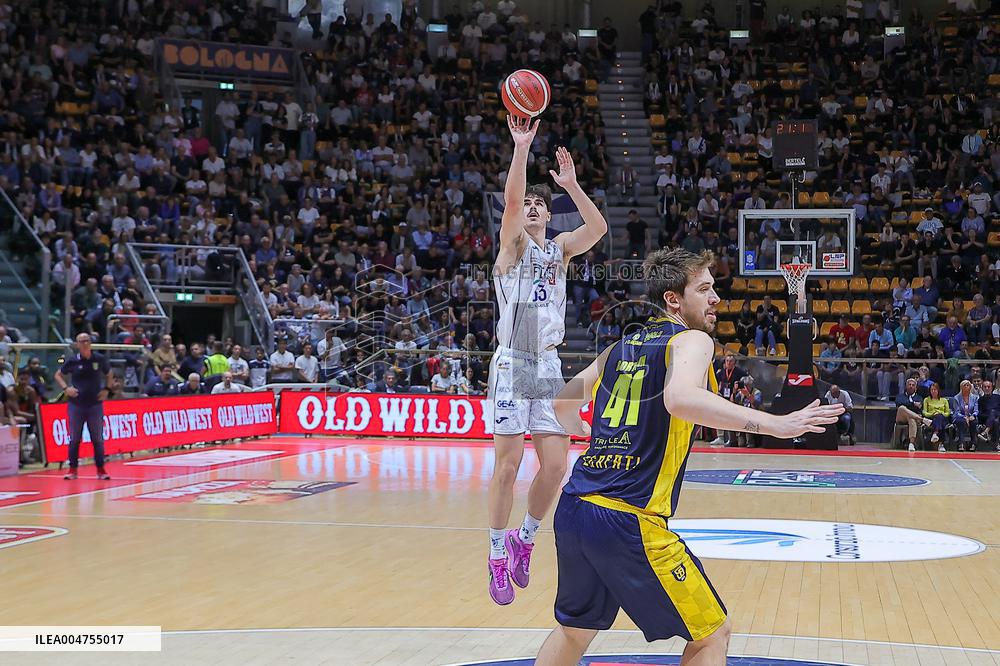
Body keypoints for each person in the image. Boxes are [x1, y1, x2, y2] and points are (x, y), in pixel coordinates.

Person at [534, 247, 842, 665]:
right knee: (712, 634)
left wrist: (581, 429)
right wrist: (776, 424)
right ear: (673, 300)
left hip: (574, 509)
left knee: (575, 631)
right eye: (705, 289)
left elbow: (562, 404)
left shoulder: (619, 347)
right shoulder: (691, 339)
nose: (716, 298)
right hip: (628, 518)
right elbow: (680, 398)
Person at [486, 116, 608, 606]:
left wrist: (573, 186)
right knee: (509, 465)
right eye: (529, 204)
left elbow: (597, 227)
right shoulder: (511, 249)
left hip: (548, 365)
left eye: (542, 204)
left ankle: (523, 540)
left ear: (550, 214)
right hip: (514, 361)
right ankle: (495, 553)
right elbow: (513, 202)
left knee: (557, 467)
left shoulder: (559, 249)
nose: (533, 208)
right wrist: (522, 147)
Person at [54, 333, 113, 481]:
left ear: (91, 343)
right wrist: (66, 388)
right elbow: (58, 375)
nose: (85, 343)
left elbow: (109, 373)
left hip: (95, 405)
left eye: (87, 341)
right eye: (82, 341)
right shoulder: (73, 361)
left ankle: (101, 469)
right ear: (77, 344)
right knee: (74, 438)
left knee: (97, 439)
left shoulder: (98, 359)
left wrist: (107, 390)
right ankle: (72, 470)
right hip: (77, 405)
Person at [896, 377, 931, 451]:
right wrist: (913, 404)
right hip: (901, 417)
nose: (911, 386)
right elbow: (899, 403)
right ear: (906, 386)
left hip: (913, 418)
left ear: (916, 387)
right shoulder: (900, 396)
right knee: (902, 408)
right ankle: (923, 420)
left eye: (913, 385)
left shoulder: (919, 398)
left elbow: (918, 408)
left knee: (911, 419)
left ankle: (911, 444)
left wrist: (910, 405)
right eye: (909, 385)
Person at [922, 382, 951, 451]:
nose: (933, 391)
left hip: (943, 417)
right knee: (940, 422)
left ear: (938, 390)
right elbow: (924, 412)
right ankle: (941, 445)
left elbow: (947, 412)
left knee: (940, 418)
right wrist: (932, 414)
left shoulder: (944, 400)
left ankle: (935, 433)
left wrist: (940, 413)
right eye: (931, 390)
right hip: (931, 419)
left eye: (935, 389)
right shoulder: (926, 400)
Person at [952, 380, 979, 451]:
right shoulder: (956, 398)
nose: (966, 387)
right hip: (959, 417)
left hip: (971, 416)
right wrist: (964, 417)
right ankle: (961, 443)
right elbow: (956, 412)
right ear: (961, 387)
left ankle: (973, 444)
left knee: (973, 422)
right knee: (962, 422)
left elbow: (976, 410)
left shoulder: (975, 397)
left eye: (968, 385)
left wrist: (973, 415)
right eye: (965, 385)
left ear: (970, 387)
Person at [977, 380, 1000, 451]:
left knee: (994, 413)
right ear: (982, 388)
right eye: (985, 387)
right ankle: (996, 445)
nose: (987, 388)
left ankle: (986, 432)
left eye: (988, 387)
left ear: (992, 388)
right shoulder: (981, 400)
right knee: (995, 422)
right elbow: (980, 413)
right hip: (987, 419)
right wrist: (990, 416)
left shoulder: (998, 397)